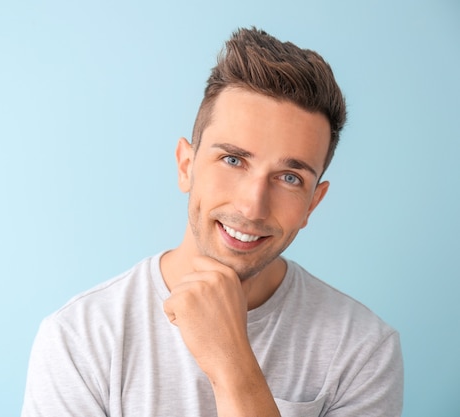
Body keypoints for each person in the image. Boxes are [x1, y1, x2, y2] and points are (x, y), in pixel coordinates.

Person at [20, 27, 403, 417]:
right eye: (233, 160)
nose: (253, 207)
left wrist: (232, 366)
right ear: (186, 166)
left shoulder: (361, 350)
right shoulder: (80, 338)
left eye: (290, 178)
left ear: (312, 204)